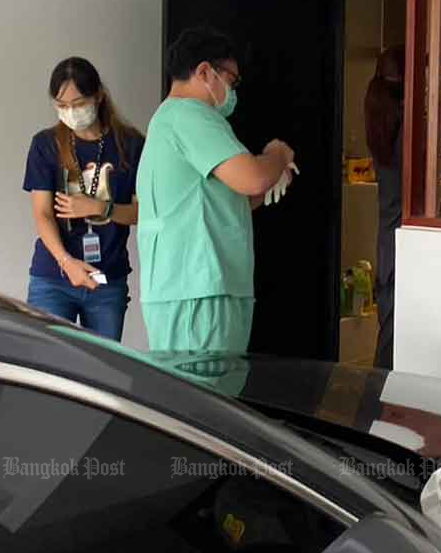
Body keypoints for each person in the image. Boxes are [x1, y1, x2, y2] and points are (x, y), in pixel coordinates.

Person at [136, 26, 296, 353]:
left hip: (195, 286)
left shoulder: (173, 120)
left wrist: (272, 177)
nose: (234, 91)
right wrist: (277, 155)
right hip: (197, 289)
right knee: (203, 397)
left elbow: (229, 199)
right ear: (205, 71)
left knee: (201, 394)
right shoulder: (188, 115)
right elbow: (251, 177)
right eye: (232, 80)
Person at [22, 57, 145, 341]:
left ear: (98, 96)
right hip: (53, 276)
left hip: (107, 280)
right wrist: (67, 263)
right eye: (61, 105)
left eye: (78, 104)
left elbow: (141, 213)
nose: (71, 112)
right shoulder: (45, 145)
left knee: (102, 371)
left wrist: (102, 208)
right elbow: (42, 214)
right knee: (47, 366)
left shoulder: (131, 145)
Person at [363, 45, 407, 369]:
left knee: (388, 330)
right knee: (395, 341)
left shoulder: (379, 113)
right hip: (404, 242)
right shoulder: (407, 126)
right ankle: (378, 405)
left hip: (387, 240)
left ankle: (374, 403)